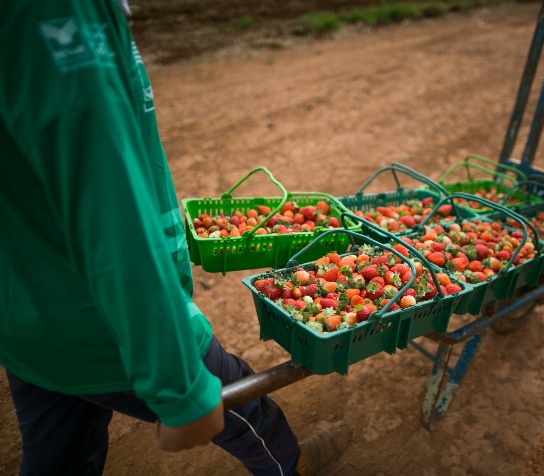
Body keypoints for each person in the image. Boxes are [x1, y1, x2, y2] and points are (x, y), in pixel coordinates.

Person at [0, 1, 351, 475]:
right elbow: (108, 206)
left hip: (28, 319)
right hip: (105, 318)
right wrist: (180, 388)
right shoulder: (56, 9)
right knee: (245, 414)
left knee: (59, 457)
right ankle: (292, 464)